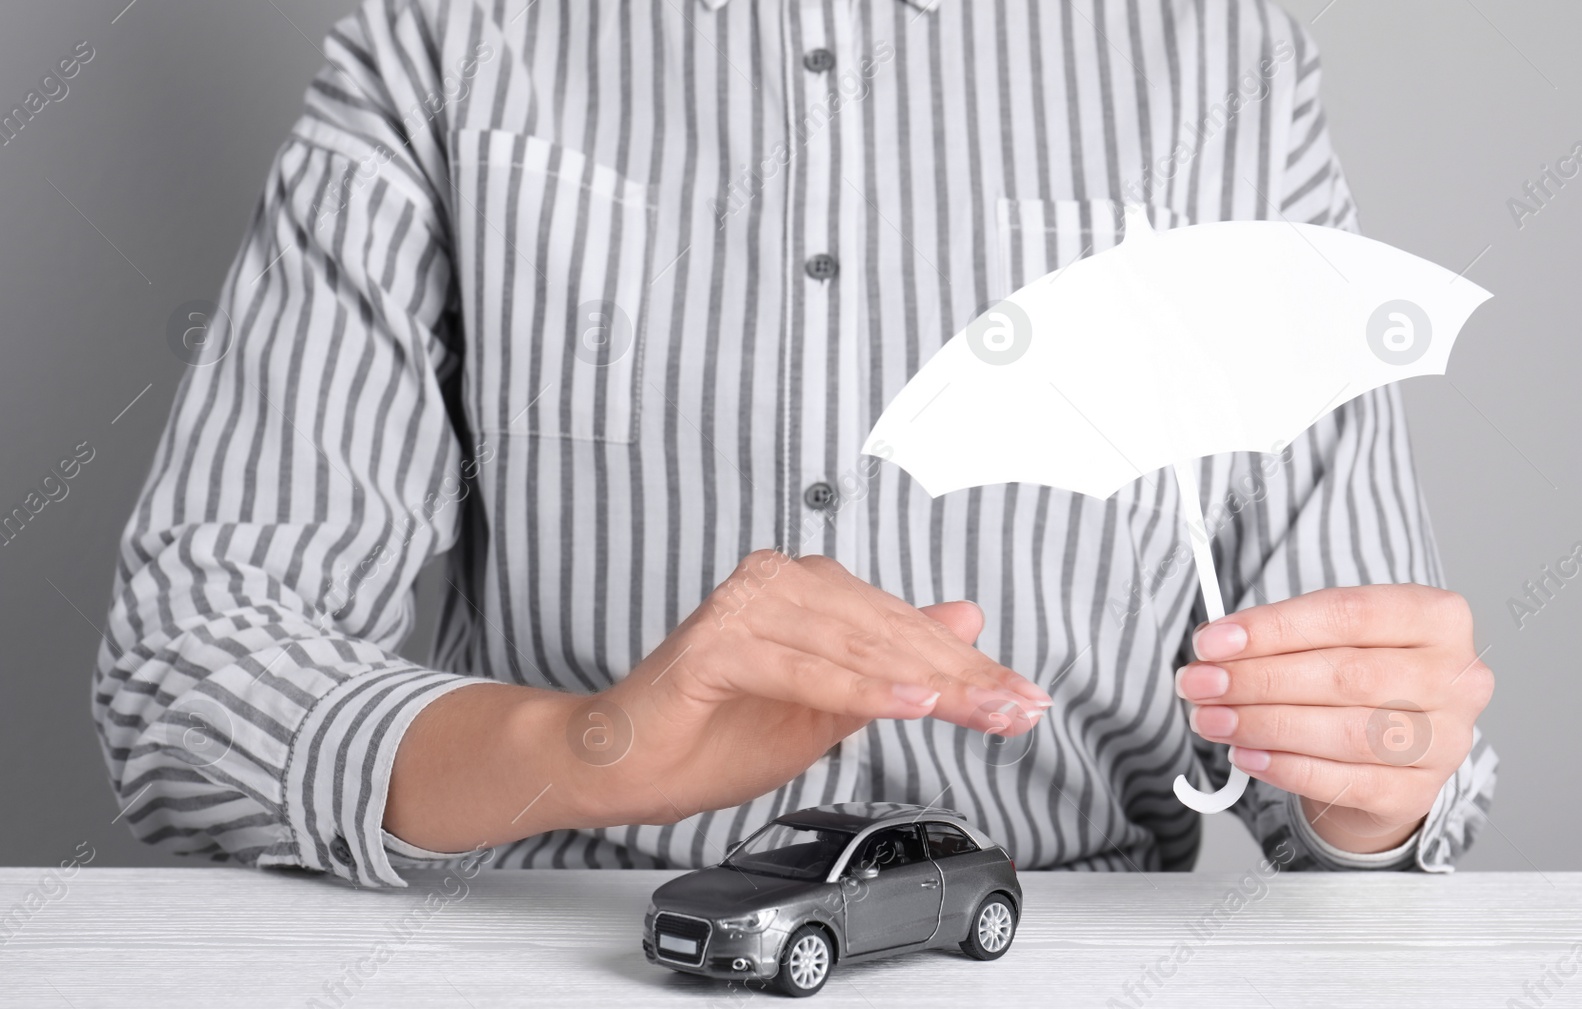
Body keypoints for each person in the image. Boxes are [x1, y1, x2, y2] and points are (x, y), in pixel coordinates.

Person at [94, 0, 1494, 888]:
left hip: (1062, 971)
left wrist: (1375, 775)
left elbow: (1374, 760)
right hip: (549, 973)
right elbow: (187, 673)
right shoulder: (451, 33)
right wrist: (580, 746)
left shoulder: (1213, 54)